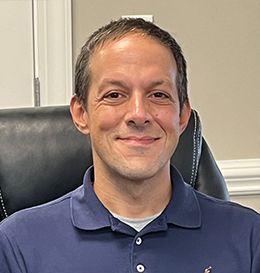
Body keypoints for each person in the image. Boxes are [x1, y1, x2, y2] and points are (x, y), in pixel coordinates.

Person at [0, 18, 259, 273]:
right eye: (114, 95)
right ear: (81, 114)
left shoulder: (249, 238)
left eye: (158, 95)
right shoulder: (17, 244)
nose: (138, 113)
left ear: (182, 117)